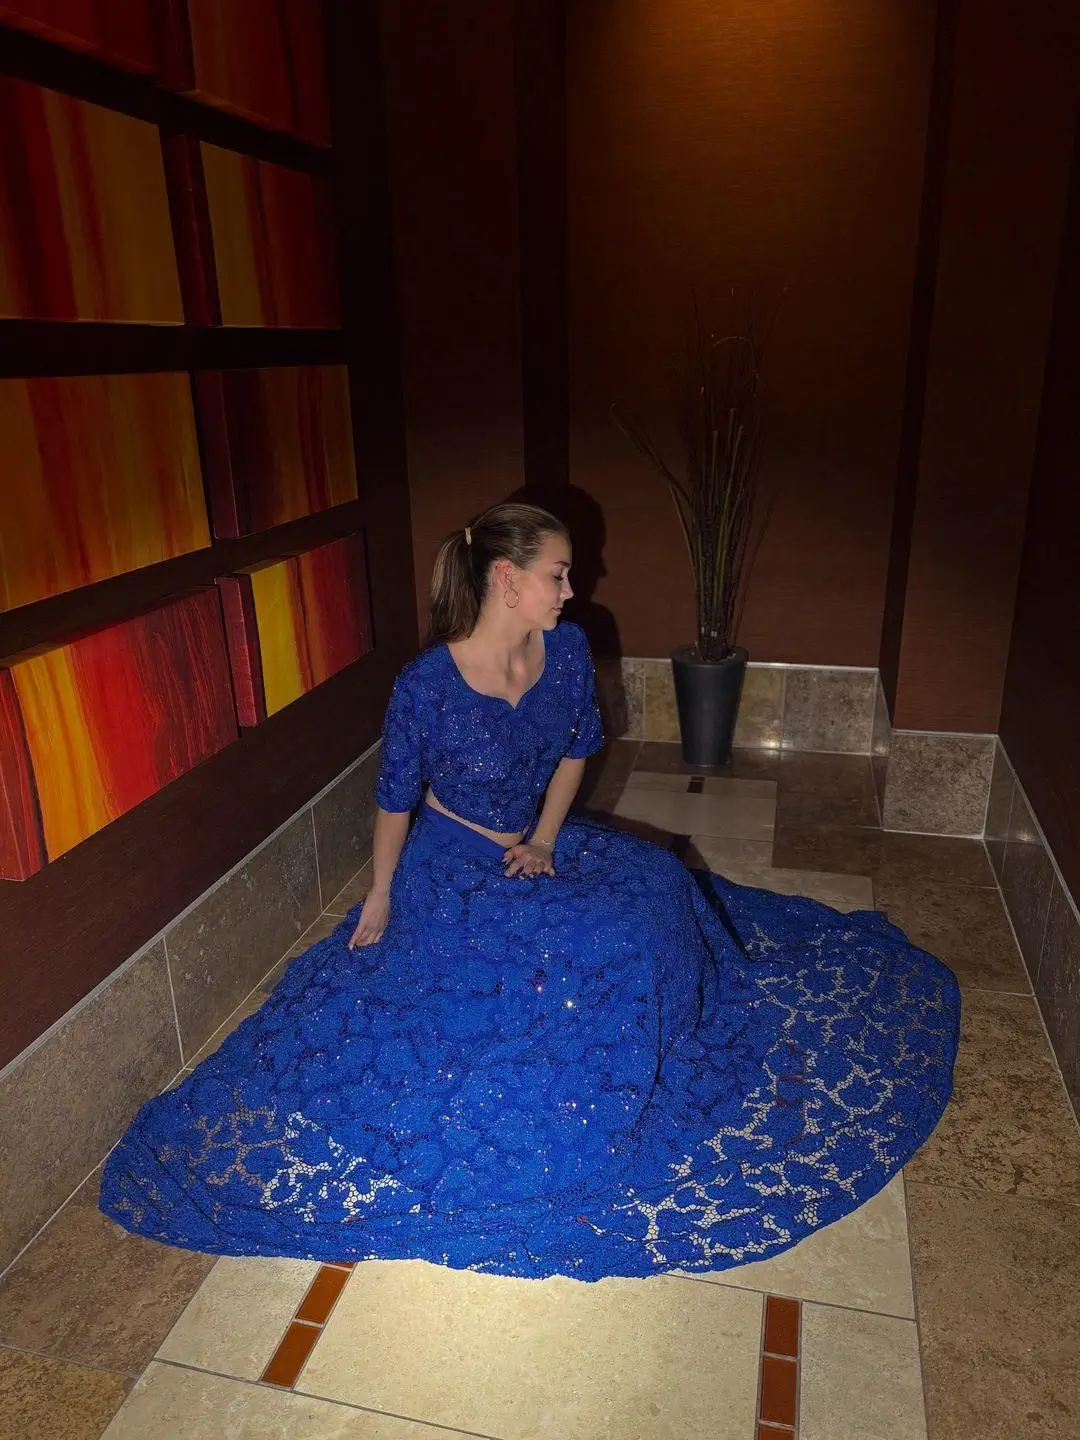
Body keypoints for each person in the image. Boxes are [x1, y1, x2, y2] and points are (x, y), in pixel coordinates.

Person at [101, 503, 959, 1281]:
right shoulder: (427, 684)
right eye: (558, 573)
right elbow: (394, 800)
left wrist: (546, 839)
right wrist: (380, 897)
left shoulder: (568, 649)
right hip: (451, 865)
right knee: (583, 944)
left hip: (535, 841)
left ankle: (666, 1034)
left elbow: (579, 749)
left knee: (658, 884)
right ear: (507, 580)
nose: (572, 588)